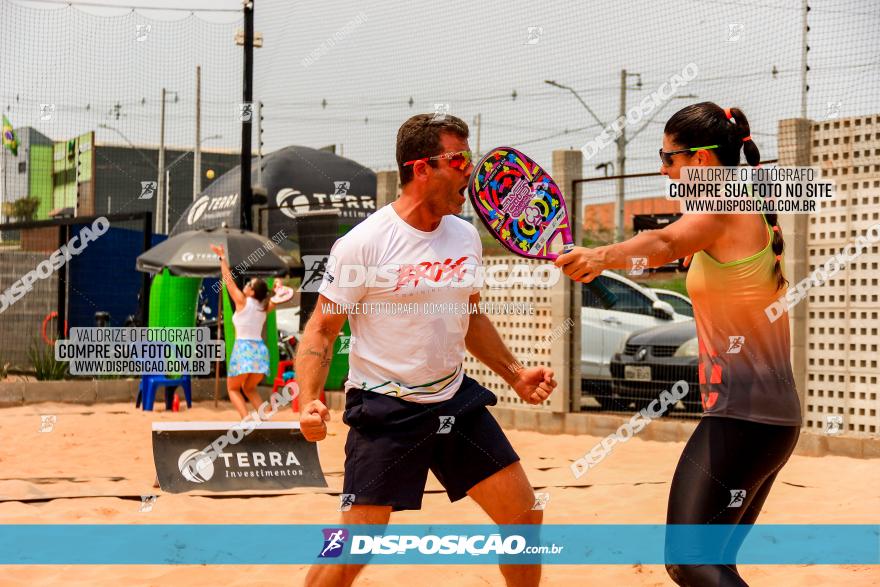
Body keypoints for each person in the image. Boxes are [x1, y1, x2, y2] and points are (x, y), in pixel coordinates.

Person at [297, 113, 557, 587]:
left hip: (454, 401)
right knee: (355, 545)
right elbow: (321, 330)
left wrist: (514, 372)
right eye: (458, 159)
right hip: (385, 407)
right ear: (420, 168)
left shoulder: (464, 235)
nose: (470, 172)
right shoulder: (363, 244)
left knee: (524, 518)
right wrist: (308, 400)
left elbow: (470, 316)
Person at [555, 102, 802, 586]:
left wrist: (601, 256)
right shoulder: (742, 207)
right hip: (767, 420)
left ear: (703, 161)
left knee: (689, 562)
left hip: (744, 418)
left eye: (668, 158)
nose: (663, 169)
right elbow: (674, 248)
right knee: (713, 564)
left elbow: (664, 244)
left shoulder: (723, 205)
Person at [210, 243, 282, 419]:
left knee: (233, 388)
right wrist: (279, 288)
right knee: (249, 388)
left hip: (243, 349)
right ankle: (265, 419)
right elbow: (278, 298)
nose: (247, 284)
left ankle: (246, 419)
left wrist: (222, 258)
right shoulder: (265, 306)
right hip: (260, 351)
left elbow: (227, 280)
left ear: (251, 292)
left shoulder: (242, 301)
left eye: (250, 283)